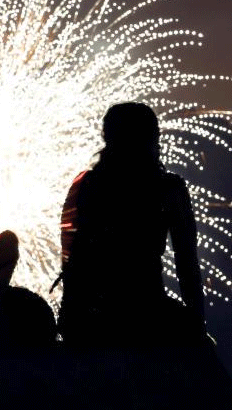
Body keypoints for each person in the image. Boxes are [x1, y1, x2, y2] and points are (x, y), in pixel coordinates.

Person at [58, 102, 205, 345]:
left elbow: (72, 257)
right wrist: (198, 329)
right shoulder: (169, 189)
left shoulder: (87, 185)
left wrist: (70, 319)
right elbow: (187, 265)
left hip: (91, 316)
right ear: (152, 138)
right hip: (146, 314)